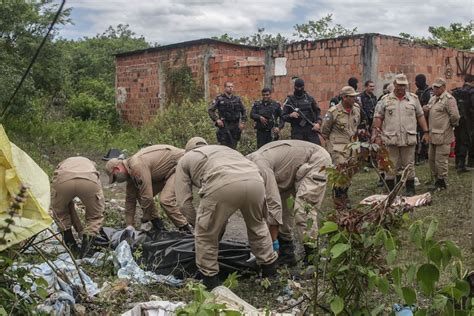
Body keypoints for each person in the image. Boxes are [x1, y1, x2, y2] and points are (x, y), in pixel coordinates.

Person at [175, 137, 277, 289]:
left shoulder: (185, 159)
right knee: (258, 226)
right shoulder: (225, 149)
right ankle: (270, 274)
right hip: (255, 181)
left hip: (222, 182)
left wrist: (201, 223)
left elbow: (183, 203)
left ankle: (211, 284)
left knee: (206, 236)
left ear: (188, 150)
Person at [246, 140, 331, 265]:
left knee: (303, 209)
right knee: (285, 211)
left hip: (316, 161)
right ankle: (287, 254)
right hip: (290, 171)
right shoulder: (248, 166)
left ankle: (313, 257)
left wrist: (270, 246)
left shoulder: (259, 166)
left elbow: (273, 205)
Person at [105, 145, 192, 233]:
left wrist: (145, 219)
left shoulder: (136, 165)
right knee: (139, 194)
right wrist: (129, 225)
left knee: (165, 200)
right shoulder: (130, 172)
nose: (117, 181)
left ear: (117, 169)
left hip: (180, 164)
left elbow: (147, 196)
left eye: (115, 177)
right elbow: (130, 200)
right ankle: (158, 225)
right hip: (165, 171)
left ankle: (186, 229)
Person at [372, 74, 430, 196]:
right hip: (390, 138)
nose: (401, 88)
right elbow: (378, 117)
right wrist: (377, 135)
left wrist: (426, 132)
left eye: (403, 85)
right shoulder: (385, 100)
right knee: (390, 165)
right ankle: (390, 190)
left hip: (408, 138)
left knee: (409, 164)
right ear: (394, 84)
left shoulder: (413, 99)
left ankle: (410, 189)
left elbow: (420, 115)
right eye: (399, 85)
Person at [52, 156, 106, 258]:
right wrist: (81, 230)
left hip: (63, 180)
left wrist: (79, 229)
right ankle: (87, 250)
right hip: (89, 180)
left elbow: (68, 207)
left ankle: (71, 246)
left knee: (60, 213)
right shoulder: (90, 163)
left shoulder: (63, 164)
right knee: (95, 217)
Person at [321, 86, 363, 208]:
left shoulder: (356, 109)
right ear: (344, 98)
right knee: (341, 172)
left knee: (350, 172)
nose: (354, 99)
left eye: (355, 96)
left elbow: (356, 125)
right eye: (351, 97)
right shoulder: (333, 112)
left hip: (352, 147)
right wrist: (329, 145)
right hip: (337, 147)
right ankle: (339, 199)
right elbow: (325, 130)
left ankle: (345, 194)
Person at [423, 78, 460, 190]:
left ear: (444, 87)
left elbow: (455, 116)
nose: (435, 89)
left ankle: (441, 181)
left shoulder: (449, 99)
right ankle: (435, 179)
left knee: (441, 159)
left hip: (443, 134)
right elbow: (430, 110)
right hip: (433, 134)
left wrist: (450, 126)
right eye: (434, 87)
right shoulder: (433, 99)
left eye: (438, 87)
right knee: (431, 158)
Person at [281, 78, 322, 144]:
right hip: (297, 132)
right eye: (297, 87)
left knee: (316, 150)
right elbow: (283, 116)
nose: (299, 89)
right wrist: (291, 115)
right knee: (298, 153)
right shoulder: (289, 100)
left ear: (303, 87)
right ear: (294, 87)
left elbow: (318, 112)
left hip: (311, 129)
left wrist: (318, 123)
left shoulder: (309, 99)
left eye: (301, 87)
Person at [207, 82, 247, 149]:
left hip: (235, 125)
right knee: (224, 146)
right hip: (224, 125)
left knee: (234, 146)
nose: (230, 88)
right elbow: (210, 110)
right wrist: (217, 120)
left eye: (232, 86)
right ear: (225, 88)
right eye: (228, 87)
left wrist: (243, 122)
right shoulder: (219, 98)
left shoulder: (237, 99)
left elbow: (244, 111)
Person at [452, 74, 474, 171]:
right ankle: (461, 165)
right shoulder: (472, 92)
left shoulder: (457, 91)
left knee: (458, 140)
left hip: (457, 119)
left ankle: (457, 162)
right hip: (468, 120)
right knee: (465, 141)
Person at [414, 74, 434, 165]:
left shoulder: (429, 92)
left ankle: (423, 155)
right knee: (418, 137)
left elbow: (431, 105)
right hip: (418, 119)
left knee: (423, 137)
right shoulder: (418, 92)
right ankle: (419, 155)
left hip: (426, 119)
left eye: (417, 81)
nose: (415, 83)